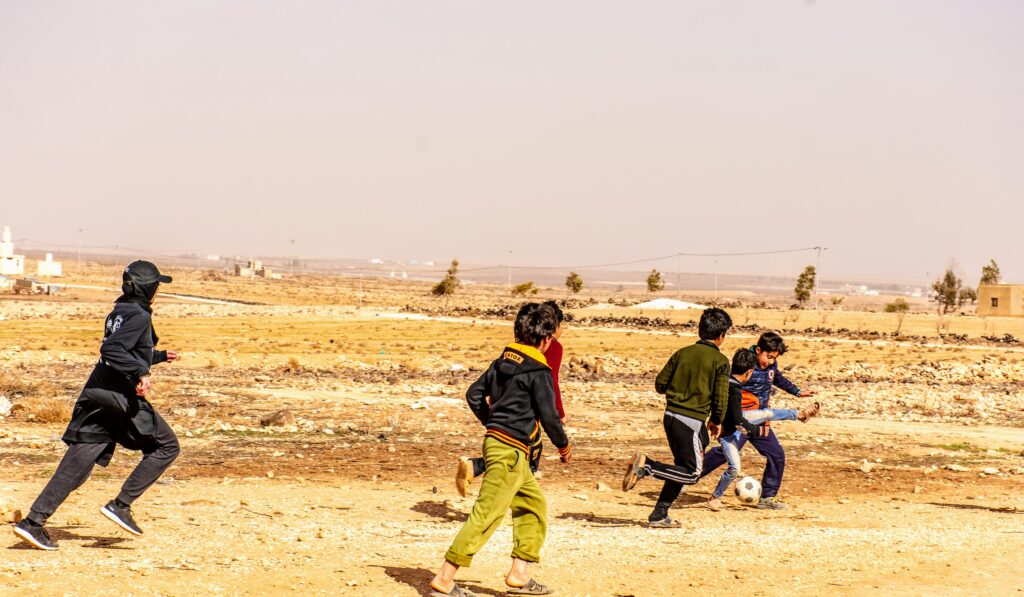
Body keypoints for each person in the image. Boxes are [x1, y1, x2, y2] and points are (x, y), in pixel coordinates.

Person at [14, 261, 181, 550]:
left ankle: (32, 522)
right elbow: (113, 350)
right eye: (156, 286)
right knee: (166, 446)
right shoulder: (139, 316)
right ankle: (121, 505)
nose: (157, 291)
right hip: (119, 396)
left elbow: (124, 349)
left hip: (96, 391)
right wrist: (141, 372)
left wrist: (159, 356)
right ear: (148, 289)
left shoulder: (119, 311)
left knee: (78, 463)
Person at [429, 303, 572, 597]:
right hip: (511, 451)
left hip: (506, 449)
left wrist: (492, 423)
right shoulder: (539, 371)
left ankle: (519, 573)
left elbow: (474, 394)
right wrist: (563, 444)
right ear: (546, 340)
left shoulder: (501, 362)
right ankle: (445, 577)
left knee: (533, 506)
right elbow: (549, 416)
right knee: (487, 514)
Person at [621, 307, 732, 528]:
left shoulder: (682, 353)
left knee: (680, 468)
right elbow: (721, 397)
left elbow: (660, 384)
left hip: (670, 416)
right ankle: (647, 466)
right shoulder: (720, 361)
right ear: (722, 336)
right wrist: (716, 420)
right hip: (691, 421)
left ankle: (659, 515)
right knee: (692, 474)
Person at [455, 300, 566, 496]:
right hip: (523, 418)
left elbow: (474, 393)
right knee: (526, 456)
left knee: (506, 454)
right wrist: (560, 419)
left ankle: (477, 467)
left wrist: (491, 420)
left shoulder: (510, 353)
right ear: (552, 328)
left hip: (499, 412)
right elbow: (551, 383)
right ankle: (517, 499)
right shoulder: (553, 349)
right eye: (562, 325)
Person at [698, 331, 817, 510]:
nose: (769, 361)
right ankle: (691, 474)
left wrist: (797, 392)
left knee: (776, 454)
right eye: (768, 357)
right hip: (742, 419)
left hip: (761, 419)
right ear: (758, 350)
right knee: (726, 453)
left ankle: (768, 497)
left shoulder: (771, 366)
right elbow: (727, 388)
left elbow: (778, 379)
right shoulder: (745, 364)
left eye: (773, 358)